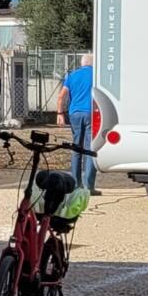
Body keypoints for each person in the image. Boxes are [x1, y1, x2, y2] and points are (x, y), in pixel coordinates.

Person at [55, 53, 99, 193]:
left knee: (76, 148)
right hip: (92, 113)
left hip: (74, 114)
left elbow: (61, 96)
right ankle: (89, 186)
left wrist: (60, 114)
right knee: (90, 149)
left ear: (82, 63)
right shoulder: (97, 75)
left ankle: (75, 184)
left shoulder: (72, 75)